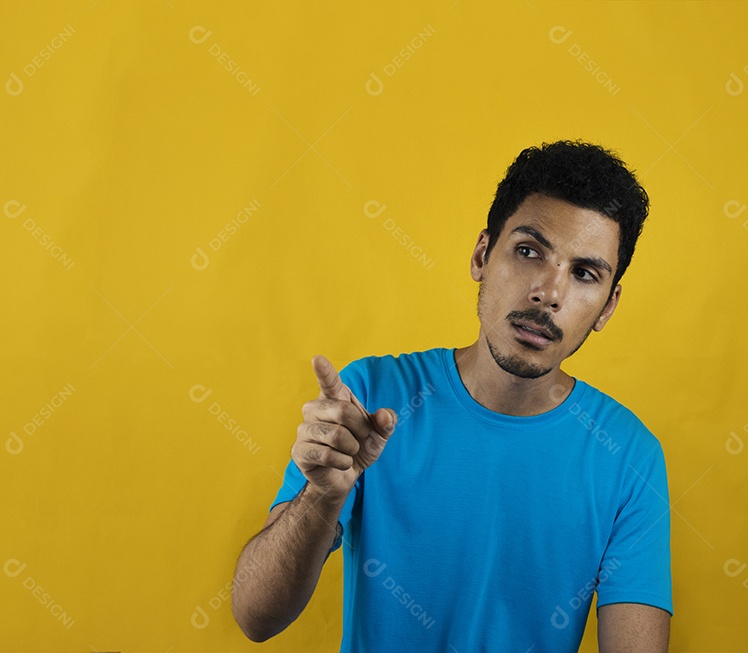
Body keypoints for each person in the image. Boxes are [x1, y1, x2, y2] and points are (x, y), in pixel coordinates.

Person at [231, 140, 673, 651]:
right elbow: (254, 617)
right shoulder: (373, 399)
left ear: (608, 305)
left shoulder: (629, 458)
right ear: (483, 254)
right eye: (529, 251)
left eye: (584, 273)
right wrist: (322, 497)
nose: (549, 292)